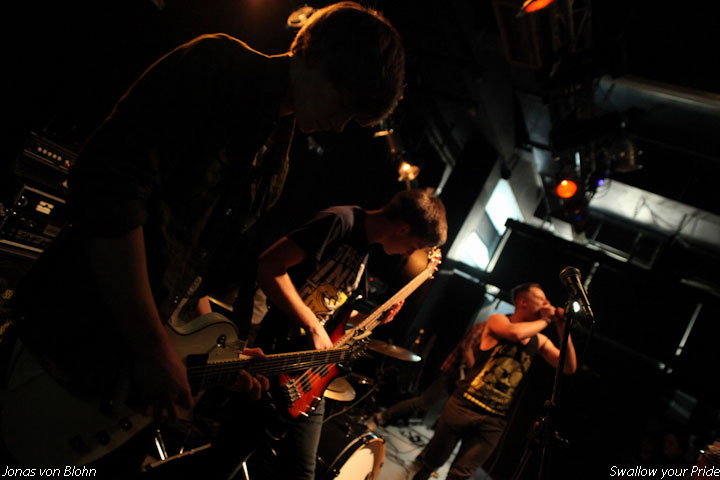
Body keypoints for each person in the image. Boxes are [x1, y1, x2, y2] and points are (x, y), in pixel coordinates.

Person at [2, 1, 405, 471]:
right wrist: (152, 346)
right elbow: (107, 194)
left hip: (130, 385)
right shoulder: (219, 67)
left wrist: (218, 355)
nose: (339, 125)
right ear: (315, 56)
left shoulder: (277, 161)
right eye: (343, 105)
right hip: (70, 345)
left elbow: (190, 273)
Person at [252, 188, 448, 480]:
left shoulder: (364, 251)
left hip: (307, 374)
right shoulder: (340, 221)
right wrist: (312, 325)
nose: (410, 254)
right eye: (414, 246)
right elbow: (268, 265)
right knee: (230, 457)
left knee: (301, 471)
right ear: (403, 229)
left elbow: (333, 315)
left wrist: (374, 317)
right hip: (274, 356)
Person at [412, 283, 577, 480]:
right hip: (463, 406)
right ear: (522, 301)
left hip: (494, 421)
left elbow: (569, 366)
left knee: (460, 474)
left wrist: (562, 327)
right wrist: (546, 319)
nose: (547, 303)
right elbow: (515, 334)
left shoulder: (540, 340)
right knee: (431, 462)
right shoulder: (498, 320)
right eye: (541, 299)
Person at [365, 321, 487, 430]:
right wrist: (474, 371)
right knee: (422, 403)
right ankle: (381, 417)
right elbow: (466, 348)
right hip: (452, 374)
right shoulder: (483, 328)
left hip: (464, 380)